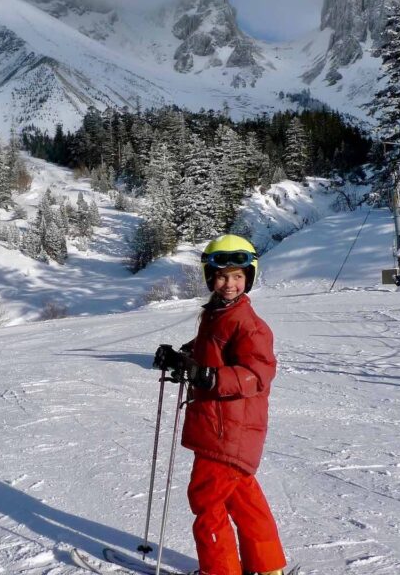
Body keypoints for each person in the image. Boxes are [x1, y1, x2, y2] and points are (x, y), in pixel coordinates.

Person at [154, 234, 285, 575]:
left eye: (238, 276)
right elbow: (211, 351)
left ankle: (220, 570)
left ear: (249, 277)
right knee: (243, 499)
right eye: (223, 276)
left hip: (227, 428)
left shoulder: (249, 324)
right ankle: (268, 567)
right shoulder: (218, 313)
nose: (230, 284)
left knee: (206, 501)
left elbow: (257, 375)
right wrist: (182, 358)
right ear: (210, 277)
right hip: (224, 427)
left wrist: (209, 377)